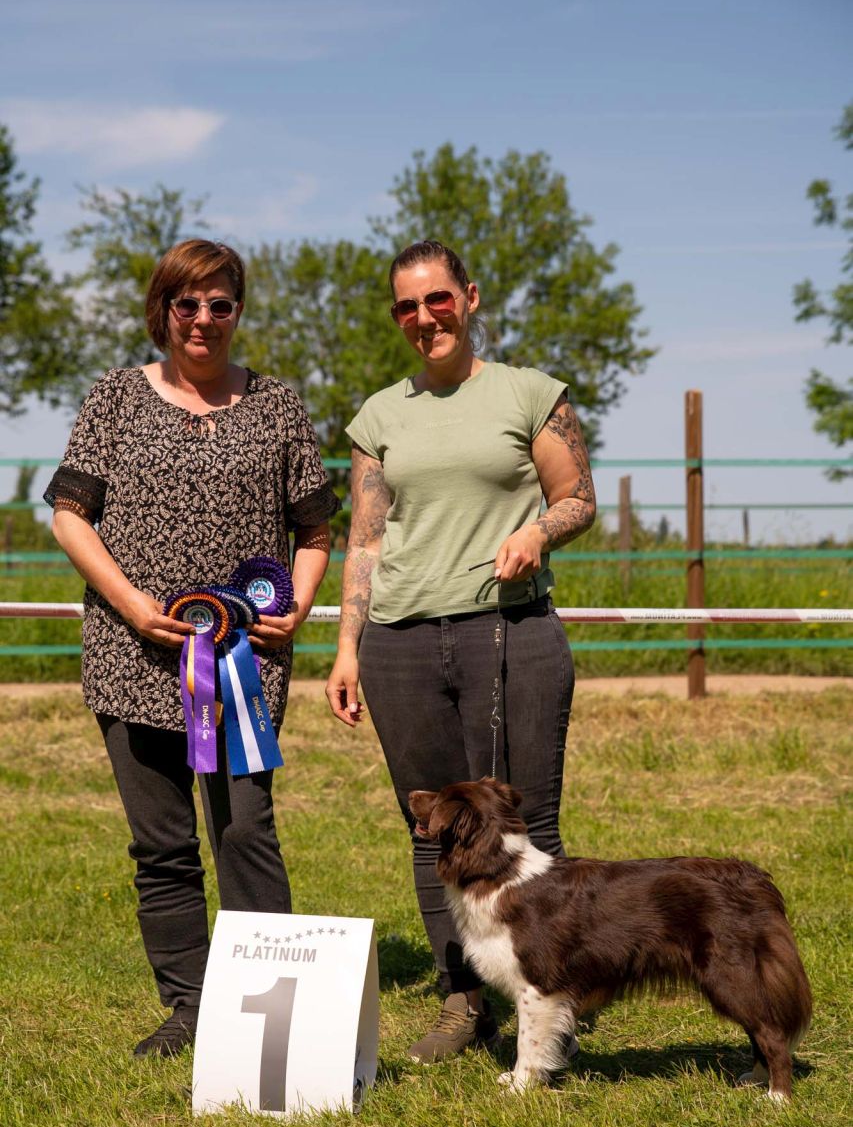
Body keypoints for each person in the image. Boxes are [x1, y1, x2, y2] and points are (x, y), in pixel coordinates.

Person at [46, 239, 340, 1058]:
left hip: (242, 664)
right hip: (130, 656)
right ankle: (189, 1009)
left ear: (238, 313)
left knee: (246, 831)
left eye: (220, 304)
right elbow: (70, 513)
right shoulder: (112, 397)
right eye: (187, 304)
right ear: (162, 310)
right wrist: (134, 605)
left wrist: (302, 602)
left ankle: (272, 1009)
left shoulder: (279, 407)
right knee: (162, 844)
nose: (203, 319)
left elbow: (314, 529)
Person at [325, 239, 596, 1063]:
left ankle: (547, 996)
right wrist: (345, 647)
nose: (423, 318)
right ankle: (460, 1001)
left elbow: (576, 496)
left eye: (436, 300)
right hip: (398, 642)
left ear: (469, 298)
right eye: (406, 306)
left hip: (511, 632)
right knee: (431, 829)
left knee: (525, 823)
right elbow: (365, 540)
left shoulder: (529, 393)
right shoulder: (379, 416)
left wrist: (535, 533)